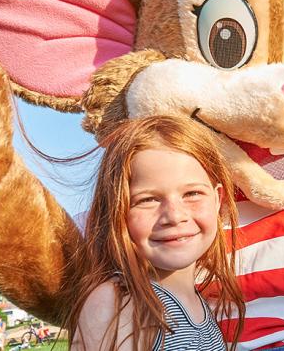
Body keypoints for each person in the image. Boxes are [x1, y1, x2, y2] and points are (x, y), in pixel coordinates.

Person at [63, 115, 245, 350]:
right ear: (117, 209)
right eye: (147, 199)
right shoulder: (120, 303)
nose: (174, 216)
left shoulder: (198, 303)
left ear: (217, 200)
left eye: (192, 194)